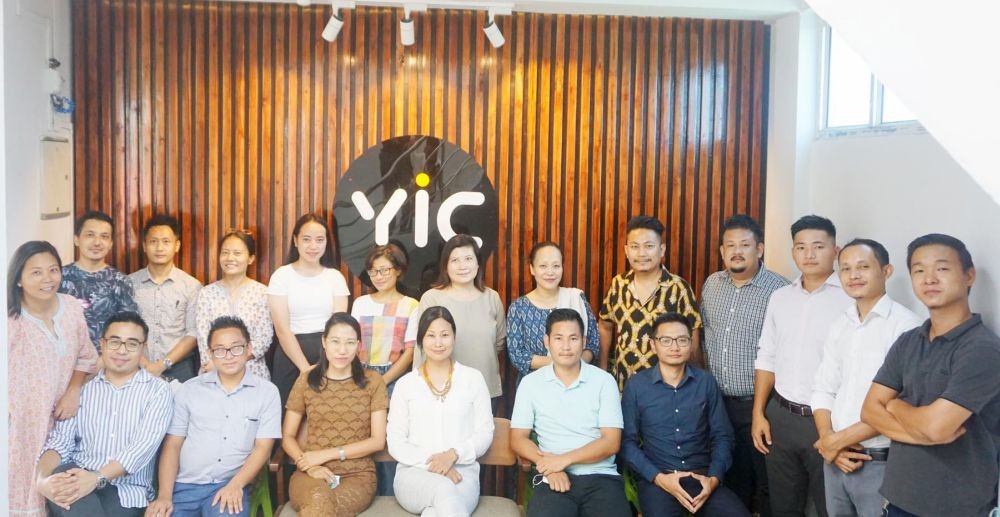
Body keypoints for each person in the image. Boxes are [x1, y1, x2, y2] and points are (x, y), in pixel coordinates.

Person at [862, 234, 1000, 517]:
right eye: (919, 270)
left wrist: (896, 405)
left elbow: (937, 427)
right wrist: (922, 436)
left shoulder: (983, 349)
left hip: (957, 506)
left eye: (942, 268)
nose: (929, 278)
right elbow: (869, 411)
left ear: (969, 275)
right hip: (899, 497)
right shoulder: (909, 340)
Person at [809, 238, 921, 517]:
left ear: (886, 271)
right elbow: (823, 388)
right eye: (845, 269)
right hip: (835, 460)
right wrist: (829, 440)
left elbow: (900, 404)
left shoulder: (907, 327)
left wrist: (837, 442)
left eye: (863, 266)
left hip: (880, 462)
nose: (853, 275)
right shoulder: (840, 324)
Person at [752, 215, 851, 517]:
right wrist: (759, 413)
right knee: (784, 505)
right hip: (781, 415)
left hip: (829, 421)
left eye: (818, 246)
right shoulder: (780, 298)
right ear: (793, 251)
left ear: (836, 250)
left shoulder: (851, 298)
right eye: (801, 247)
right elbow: (766, 356)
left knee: (828, 507)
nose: (809, 254)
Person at [34, 312, 173, 516]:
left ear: (144, 348)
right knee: (65, 483)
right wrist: (42, 481)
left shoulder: (158, 390)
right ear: (102, 344)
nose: (122, 351)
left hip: (126, 491)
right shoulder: (82, 389)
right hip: (77, 478)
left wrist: (96, 478)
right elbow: (60, 442)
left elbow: (141, 448)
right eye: (115, 342)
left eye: (132, 344)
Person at [146, 316, 281, 517]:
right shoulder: (189, 389)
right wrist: (165, 495)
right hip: (185, 486)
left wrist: (236, 485)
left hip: (230, 485)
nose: (228, 356)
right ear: (210, 354)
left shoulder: (266, 392)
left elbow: (263, 447)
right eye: (220, 350)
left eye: (236, 347)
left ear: (249, 348)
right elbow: (173, 444)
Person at [699, 214, 788, 515]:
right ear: (722, 251)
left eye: (745, 245)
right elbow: (703, 336)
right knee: (730, 479)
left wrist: (761, 409)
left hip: (761, 406)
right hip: (718, 404)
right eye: (730, 245)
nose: (737, 251)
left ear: (759, 249)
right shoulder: (711, 285)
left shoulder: (780, 291)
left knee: (766, 482)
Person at [622, 312, 748, 517]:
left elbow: (723, 436)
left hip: (702, 478)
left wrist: (713, 479)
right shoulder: (637, 386)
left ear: (691, 344)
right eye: (666, 340)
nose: (675, 347)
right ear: (653, 345)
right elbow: (627, 443)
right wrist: (659, 478)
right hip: (659, 481)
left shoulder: (705, 382)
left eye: (682, 340)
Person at [8, 240, 100, 517]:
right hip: (22, 425)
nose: (47, 279)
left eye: (53, 270)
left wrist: (73, 391)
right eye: (36, 272)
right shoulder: (10, 321)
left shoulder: (70, 306)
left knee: (64, 492)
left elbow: (86, 356)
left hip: (67, 418)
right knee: (25, 488)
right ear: (19, 279)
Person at [511, 309, 630, 517]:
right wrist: (550, 466)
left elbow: (612, 442)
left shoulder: (604, 381)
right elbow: (517, 439)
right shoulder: (531, 383)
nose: (566, 346)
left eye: (573, 338)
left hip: (601, 477)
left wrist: (563, 460)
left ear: (583, 341)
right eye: (559, 338)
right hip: (552, 477)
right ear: (547, 341)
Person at [388, 306, 494, 517]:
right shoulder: (406, 384)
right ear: (420, 340)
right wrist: (437, 464)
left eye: (445, 335)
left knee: (434, 513)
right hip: (414, 474)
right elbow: (396, 442)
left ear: (454, 337)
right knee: (444, 489)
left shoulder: (473, 379)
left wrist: (453, 455)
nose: (438, 343)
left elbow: (485, 433)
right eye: (431, 336)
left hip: (462, 475)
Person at [282, 313, 388, 517]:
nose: (342, 350)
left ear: (358, 345)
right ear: (324, 342)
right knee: (318, 500)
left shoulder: (373, 382)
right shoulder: (307, 380)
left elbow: (377, 441)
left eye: (350, 343)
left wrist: (326, 454)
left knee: (320, 508)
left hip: (358, 476)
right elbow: (287, 437)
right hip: (309, 474)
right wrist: (310, 467)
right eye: (335, 341)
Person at [599, 215, 702, 391]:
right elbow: (605, 325)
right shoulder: (618, 284)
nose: (641, 254)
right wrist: (602, 371)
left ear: (661, 250)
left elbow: (692, 337)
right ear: (626, 250)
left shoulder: (678, 288)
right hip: (624, 387)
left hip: (667, 389)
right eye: (635, 247)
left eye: (649, 246)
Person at [350, 244, 420, 496]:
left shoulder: (411, 305)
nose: (378, 276)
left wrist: (384, 379)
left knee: (391, 441)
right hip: (361, 377)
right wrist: (366, 378)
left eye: (384, 270)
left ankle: (392, 498)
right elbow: (352, 344)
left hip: (396, 379)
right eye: (373, 271)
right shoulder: (360, 303)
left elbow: (410, 351)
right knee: (361, 438)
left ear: (398, 270)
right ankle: (363, 494)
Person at [269, 213, 350, 409]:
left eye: (319, 240)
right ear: (296, 240)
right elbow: (282, 330)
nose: (313, 246)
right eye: (307, 239)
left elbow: (338, 327)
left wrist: (324, 365)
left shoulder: (335, 277)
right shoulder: (282, 276)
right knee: (288, 417)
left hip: (329, 354)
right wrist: (305, 369)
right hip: (290, 354)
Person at [417, 234, 506, 401]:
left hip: (485, 389)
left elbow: (499, 341)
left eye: (468, 258)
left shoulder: (492, 297)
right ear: (445, 266)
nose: (462, 266)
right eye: (455, 260)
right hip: (441, 391)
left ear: (478, 263)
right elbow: (422, 346)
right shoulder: (432, 298)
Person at [507, 241, 600, 378]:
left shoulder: (576, 298)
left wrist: (573, 367)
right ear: (532, 269)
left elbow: (593, 343)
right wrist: (562, 363)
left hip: (577, 381)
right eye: (543, 266)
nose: (550, 272)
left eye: (556, 266)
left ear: (562, 267)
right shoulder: (519, 308)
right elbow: (517, 355)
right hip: (535, 386)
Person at [129, 213, 203, 382]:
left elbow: (193, 332)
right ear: (144, 246)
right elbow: (125, 328)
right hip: (136, 366)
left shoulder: (192, 286)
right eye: (153, 241)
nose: (159, 248)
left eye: (166, 242)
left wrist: (163, 364)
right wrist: (145, 364)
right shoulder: (130, 284)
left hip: (180, 368)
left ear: (177, 246)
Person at [194, 230, 273, 379]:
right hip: (214, 370)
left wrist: (236, 361)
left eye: (237, 253)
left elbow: (264, 336)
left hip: (252, 370)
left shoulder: (262, 293)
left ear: (251, 258)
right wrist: (215, 363)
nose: (230, 258)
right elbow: (203, 336)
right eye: (225, 253)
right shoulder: (207, 293)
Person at [59, 210, 139, 350]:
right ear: (76, 239)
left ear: (111, 243)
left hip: (107, 363)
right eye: (90, 235)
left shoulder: (121, 281)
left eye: (104, 236)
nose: (97, 242)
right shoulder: (59, 277)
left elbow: (129, 328)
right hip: (65, 359)